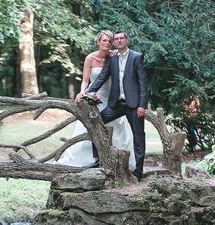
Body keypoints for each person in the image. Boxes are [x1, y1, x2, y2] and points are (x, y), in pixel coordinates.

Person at [58, 30, 136, 170]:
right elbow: (85, 81)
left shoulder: (115, 56)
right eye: (104, 40)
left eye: (109, 41)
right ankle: (93, 159)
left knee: (117, 127)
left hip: (112, 98)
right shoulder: (90, 58)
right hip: (94, 97)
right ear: (98, 42)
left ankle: (116, 159)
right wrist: (83, 92)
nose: (107, 43)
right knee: (91, 125)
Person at [85, 31, 148, 181]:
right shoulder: (111, 58)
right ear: (114, 42)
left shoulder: (136, 57)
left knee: (138, 137)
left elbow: (143, 83)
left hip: (133, 105)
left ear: (126, 40)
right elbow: (102, 76)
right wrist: (89, 91)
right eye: (116, 39)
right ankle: (99, 160)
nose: (119, 41)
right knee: (97, 123)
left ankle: (138, 172)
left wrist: (142, 105)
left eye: (121, 38)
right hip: (116, 104)